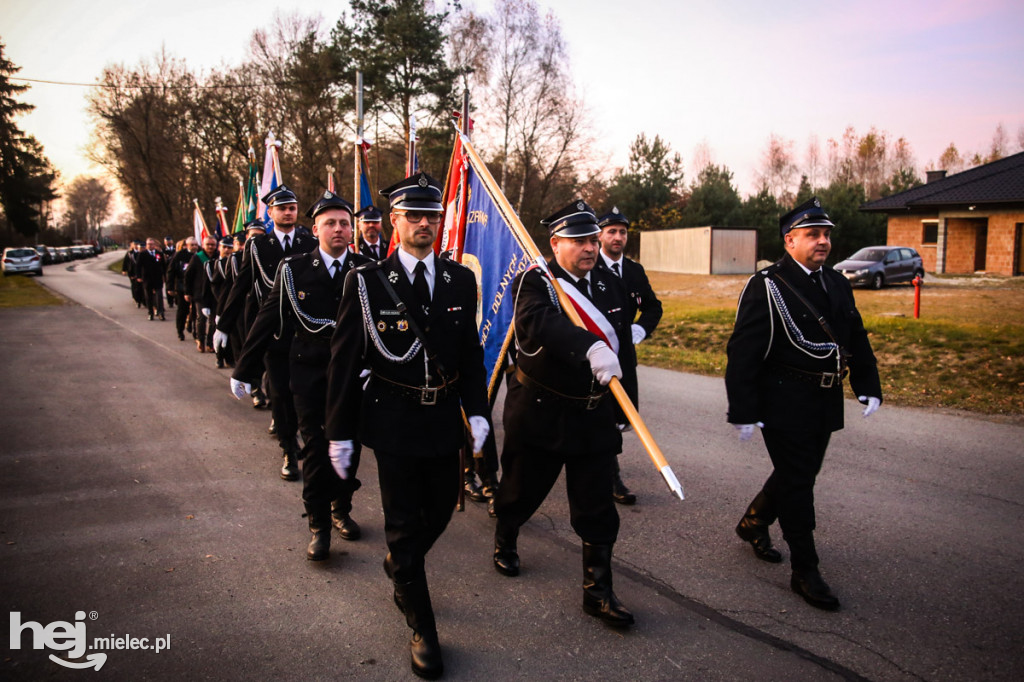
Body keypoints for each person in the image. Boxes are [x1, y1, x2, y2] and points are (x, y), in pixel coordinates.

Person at [325, 172, 489, 679]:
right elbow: (344, 360)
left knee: (439, 511)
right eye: (414, 216)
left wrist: (478, 410)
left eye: (432, 216)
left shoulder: (460, 278)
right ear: (393, 221)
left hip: (441, 416)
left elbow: (469, 354)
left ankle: (401, 566)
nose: (425, 224)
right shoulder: (368, 280)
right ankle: (423, 626)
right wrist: (339, 431)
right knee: (401, 523)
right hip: (393, 420)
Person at [725, 196, 882, 612]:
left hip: (825, 398)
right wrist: (743, 409)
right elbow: (743, 351)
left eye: (826, 234)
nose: (823, 242)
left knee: (801, 472)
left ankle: (755, 520)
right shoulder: (768, 285)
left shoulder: (836, 282)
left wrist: (869, 383)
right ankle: (805, 569)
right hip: (783, 400)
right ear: (789, 239)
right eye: (813, 235)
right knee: (799, 483)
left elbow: (855, 336)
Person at [490, 199, 637, 629]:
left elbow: (621, 346)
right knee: (520, 491)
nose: (590, 248)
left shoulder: (609, 284)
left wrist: (624, 407)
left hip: (591, 415)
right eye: (579, 240)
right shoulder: (535, 282)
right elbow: (539, 324)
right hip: (541, 412)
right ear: (556, 243)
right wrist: (587, 346)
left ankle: (598, 592)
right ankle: (506, 536)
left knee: (596, 507)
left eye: (593, 239)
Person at [232, 191, 371, 561]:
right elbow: (267, 316)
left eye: (344, 223)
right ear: (316, 229)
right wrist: (244, 368)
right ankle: (319, 524)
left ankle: (342, 508)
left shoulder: (367, 269)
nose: (339, 229)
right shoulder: (293, 270)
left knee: (351, 448)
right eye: (330, 223)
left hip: (354, 378)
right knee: (313, 450)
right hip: (310, 375)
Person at [214, 185, 317, 480]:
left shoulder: (310, 241)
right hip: (273, 334)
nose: (288, 212)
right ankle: (287, 447)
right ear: (270, 213)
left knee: (304, 393)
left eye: (292, 207)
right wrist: (223, 323)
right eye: (282, 208)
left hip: (307, 333)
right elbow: (241, 285)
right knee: (281, 394)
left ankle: (303, 439)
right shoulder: (258, 247)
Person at [594, 207, 663, 505]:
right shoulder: (588, 266)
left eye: (622, 231)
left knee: (618, 418)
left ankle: (607, 471)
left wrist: (640, 330)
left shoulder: (634, 271)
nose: (618, 237)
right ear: (599, 235)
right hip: (593, 359)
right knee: (599, 417)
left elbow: (653, 306)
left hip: (625, 360)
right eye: (611, 231)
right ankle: (611, 477)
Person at [184, 235, 218, 353]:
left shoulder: (218, 257)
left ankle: (210, 343)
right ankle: (200, 340)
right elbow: (188, 276)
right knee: (201, 319)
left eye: (213, 245)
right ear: (203, 245)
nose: (210, 247)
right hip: (200, 294)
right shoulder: (197, 258)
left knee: (213, 321)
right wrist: (187, 292)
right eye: (208, 244)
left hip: (215, 294)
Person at [210, 236, 236, 368]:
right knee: (219, 332)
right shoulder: (216, 264)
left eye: (229, 247)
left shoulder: (236, 262)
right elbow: (214, 285)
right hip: (220, 303)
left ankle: (230, 358)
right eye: (224, 247)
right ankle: (219, 357)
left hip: (233, 303)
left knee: (232, 334)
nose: (227, 250)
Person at [167, 238, 198, 341]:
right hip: (182, 286)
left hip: (197, 286)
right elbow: (171, 271)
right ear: (187, 245)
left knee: (195, 311)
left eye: (195, 245)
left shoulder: (200, 255)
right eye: (192, 245)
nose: (194, 247)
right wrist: (170, 287)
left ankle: (195, 330)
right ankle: (180, 330)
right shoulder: (179, 255)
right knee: (182, 310)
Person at [135, 237, 167, 321]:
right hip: (147, 278)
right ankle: (150, 313)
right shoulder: (142, 254)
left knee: (159, 296)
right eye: (149, 244)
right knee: (148, 297)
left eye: (152, 244)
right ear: (146, 245)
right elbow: (138, 266)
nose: (150, 246)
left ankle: (160, 313)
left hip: (157, 278)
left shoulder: (159, 253)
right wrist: (138, 276)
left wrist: (165, 276)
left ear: (154, 245)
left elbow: (163, 266)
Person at [121, 241, 144, 308]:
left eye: (137, 244)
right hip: (132, 272)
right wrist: (124, 270)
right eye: (135, 244)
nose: (136, 246)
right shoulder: (129, 253)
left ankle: (142, 299)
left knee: (141, 287)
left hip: (140, 272)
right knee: (135, 286)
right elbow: (125, 262)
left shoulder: (142, 253)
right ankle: (137, 299)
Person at [162, 236, 177, 308]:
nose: (168, 243)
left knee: (176, 285)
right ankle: (170, 301)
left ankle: (176, 299)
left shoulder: (176, 249)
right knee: (169, 285)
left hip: (175, 270)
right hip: (166, 270)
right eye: (167, 241)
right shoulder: (162, 251)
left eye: (170, 241)